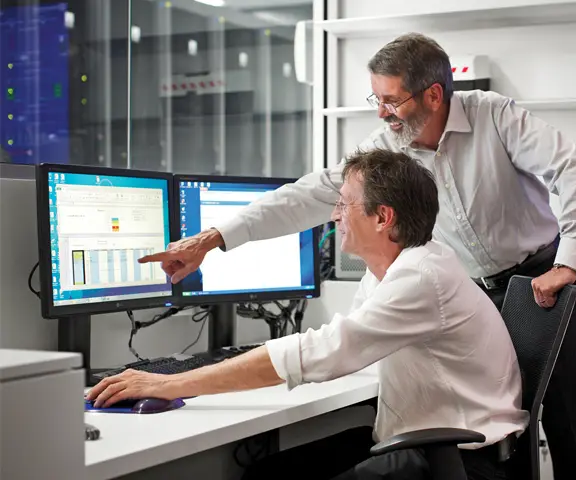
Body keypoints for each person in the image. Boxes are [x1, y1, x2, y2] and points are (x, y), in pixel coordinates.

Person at [137, 33, 576, 479]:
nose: (382, 113)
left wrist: (566, 264)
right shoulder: (388, 149)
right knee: (490, 409)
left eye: (391, 100)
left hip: (536, 280)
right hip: (467, 287)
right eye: (377, 99)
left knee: (571, 421)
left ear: (433, 94)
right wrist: (216, 236)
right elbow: (308, 195)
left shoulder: (495, 116)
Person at [87, 149, 529, 480]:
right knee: (266, 472)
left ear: (383, 218)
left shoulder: (419, 278)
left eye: (345, 204)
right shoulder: (399, 267)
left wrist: (170, 382)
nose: (334, 215)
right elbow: (338, 347)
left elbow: (321, 353)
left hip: (456, 461)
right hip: (433, 442)